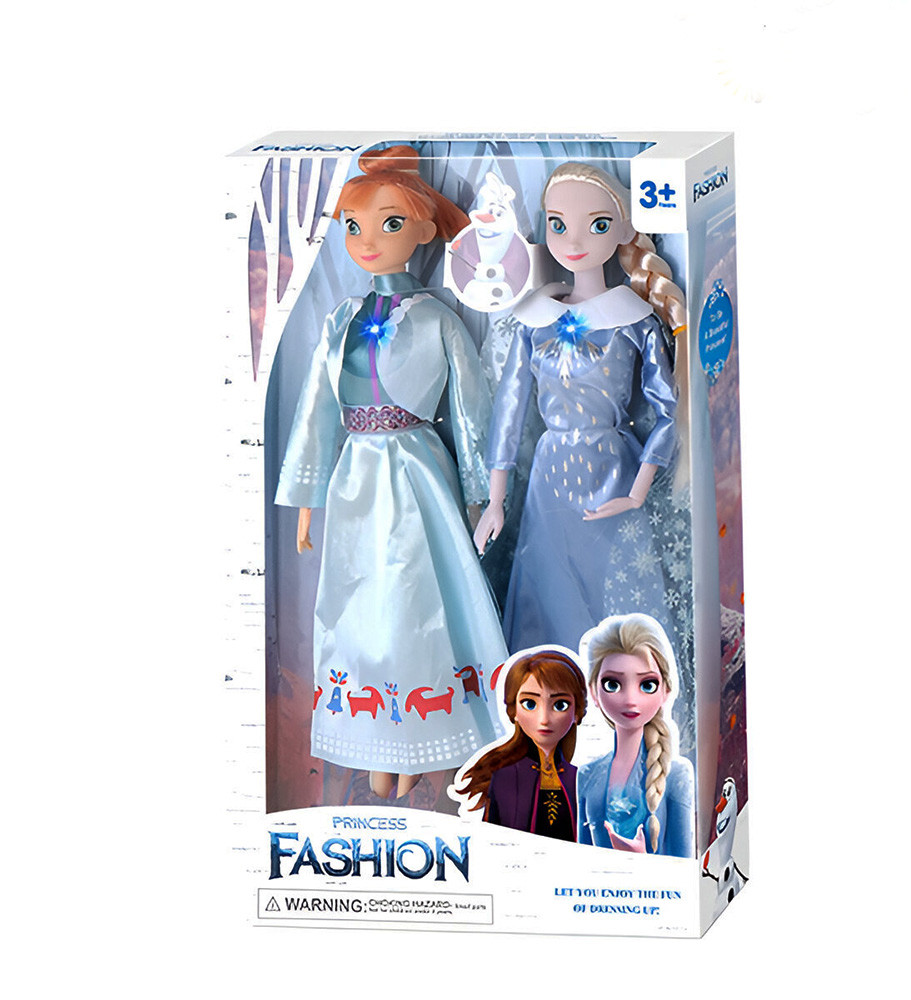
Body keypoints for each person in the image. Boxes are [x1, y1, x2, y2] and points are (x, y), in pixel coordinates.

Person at [275, 146, 506, 799]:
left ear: (426, 230)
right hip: (356, 478)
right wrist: (307, 497)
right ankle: (380, 745)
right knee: (358, 608)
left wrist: (481, 496)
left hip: (417, 475)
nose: (368, 241)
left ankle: (421, 748)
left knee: (416, 601)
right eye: (353, 227)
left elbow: (472, 411)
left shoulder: (436, 318)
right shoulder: (341, 320)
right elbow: (317, 410)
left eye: (390, 224)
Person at [474, 162, 686, 652]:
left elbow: (667, 411)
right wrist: (496, 500)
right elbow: (510, 410)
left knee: (618, 594)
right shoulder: (535, 321)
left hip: (613, 471)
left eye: (597, 224)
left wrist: (636, 493)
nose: (573, 240)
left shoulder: (632, 320)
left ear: (625, 230)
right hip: (549, 476)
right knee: (549, 590)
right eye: (557, 223)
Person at [577, 613, 694, 856]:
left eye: (647, 685)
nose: (631, 699)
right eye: (612, 684)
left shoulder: (676, 774)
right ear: (594, 692)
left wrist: (641, 862)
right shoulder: (587, 775)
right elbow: (582, 856)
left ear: (665, 691)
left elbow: (682, 863)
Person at [452, 650, 587, 840]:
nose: (544, 719)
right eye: (530, 704)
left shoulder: (580, 779)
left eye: (560, 705)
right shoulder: (505, 777)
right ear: (513, 710)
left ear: (577, 713)